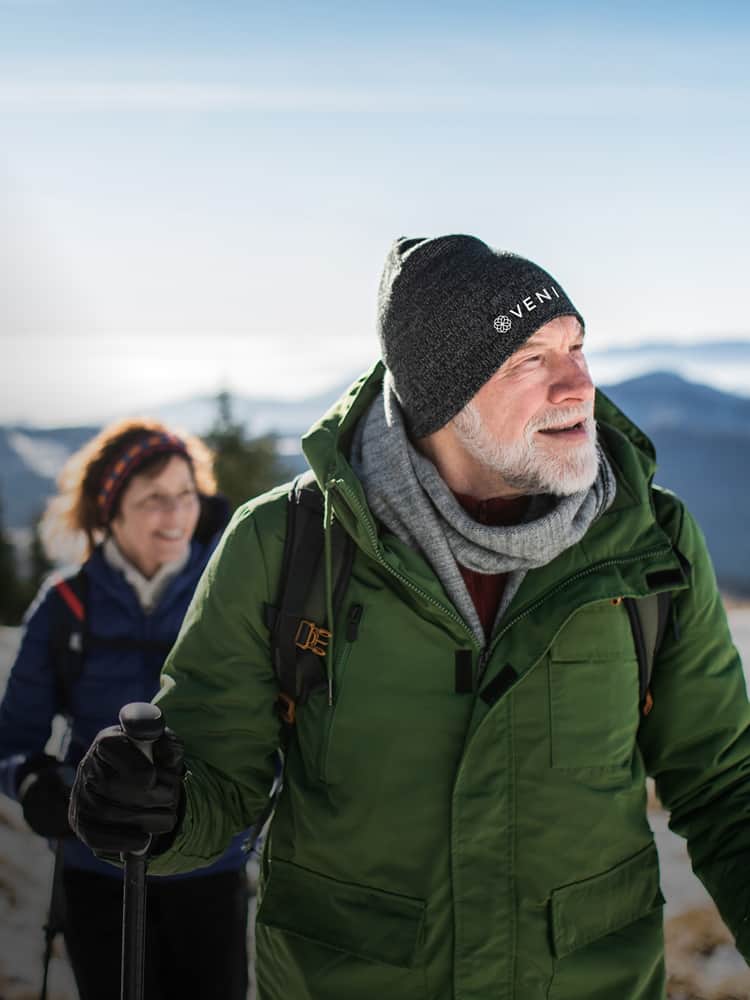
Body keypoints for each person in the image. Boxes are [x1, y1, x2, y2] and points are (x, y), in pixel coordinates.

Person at [68, 236, 750, 1000]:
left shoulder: (650, 543)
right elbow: (218, 778)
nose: (579, 384)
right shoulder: (286, 545)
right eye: (531, 359)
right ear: (443, 398)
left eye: (577, 346)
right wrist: (157, 809)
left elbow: (726, 784)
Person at [0, 418, 252, 1000]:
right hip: (97, 868)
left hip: (208, 868)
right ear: (111, 512)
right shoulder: (67, 606)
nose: (176, 514)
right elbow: (13, 740)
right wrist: (39, 784)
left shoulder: (232, 593)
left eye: (187, 495)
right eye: (154, 500)